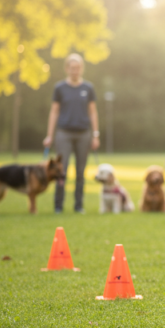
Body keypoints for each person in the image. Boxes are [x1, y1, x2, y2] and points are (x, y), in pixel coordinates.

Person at [43, 53, 100, 214]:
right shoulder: (60, 88)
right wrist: (50, 135)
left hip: (84, 134)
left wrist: (95, 134)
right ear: (67, 69)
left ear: (82, 69)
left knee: (81, 173)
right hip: (64, 133)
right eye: (72, 68)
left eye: (78, 68)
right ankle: (58, 206)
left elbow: (93, 112)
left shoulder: (88, 88)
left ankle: (78, 205)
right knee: (62, 171)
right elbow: (54, 112)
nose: (75, 70)